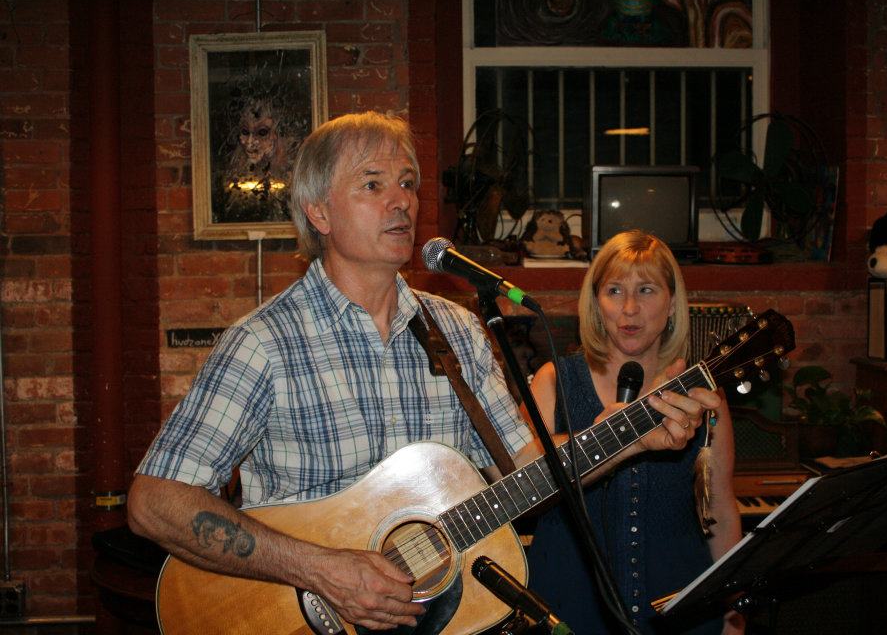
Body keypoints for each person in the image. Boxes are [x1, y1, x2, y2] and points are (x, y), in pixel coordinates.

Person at [128, 111, 718, 632]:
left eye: (407, 184)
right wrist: (321, 570)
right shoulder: (265, 344)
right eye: (373, 185)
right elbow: (155, 501)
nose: (402, 201)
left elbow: (521, 467)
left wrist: (628, 437)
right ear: (318, 212)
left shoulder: (456, 332)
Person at [524, 230, 745, 635]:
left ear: (672, 302)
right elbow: (518, 487)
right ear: (595, 303)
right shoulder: (554, 382)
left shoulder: (701, 395)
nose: (629, 309)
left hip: (681, 608)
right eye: (614, 291)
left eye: (646, 290)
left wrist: (732, 611)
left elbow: (721, 511)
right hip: (569, 605)